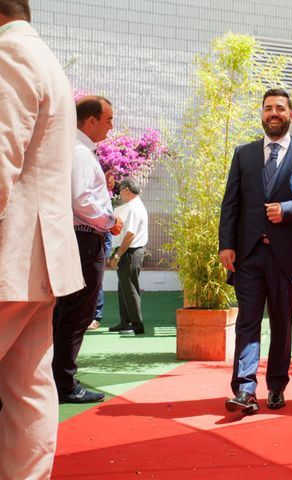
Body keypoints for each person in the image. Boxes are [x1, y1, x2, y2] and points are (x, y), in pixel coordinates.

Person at [0, 1, 84, 477]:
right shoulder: (47, 60)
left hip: (11, 254)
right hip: (42, 257)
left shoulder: (9, 54)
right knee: (28, 385)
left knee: (29, 385)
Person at [219, 88, 292, 413]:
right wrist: (226, 244)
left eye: (280, 108)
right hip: (249, 256)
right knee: (247, 324)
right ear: (262, 114)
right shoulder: (244, 154)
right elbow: (231, 203)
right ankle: (244, 390)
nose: (273, 113)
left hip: (286, 258)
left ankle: (277, 386)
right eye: (268, 108)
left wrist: (290, 209)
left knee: (282, 325)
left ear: (291, 114)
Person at [52, 95, 122, 404]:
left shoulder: (77, 150)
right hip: (85, 239)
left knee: (66, 312)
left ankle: (57, 378)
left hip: (79, 239)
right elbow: (81, 200)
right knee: (77, 313)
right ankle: (64, 383)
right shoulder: (80, 153)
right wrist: (110, 220)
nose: (111, 126)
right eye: (108, 119)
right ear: (90, 120)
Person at [108, 177, 149, 335]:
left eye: (121, 190)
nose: (120, 193)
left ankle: (137, 324)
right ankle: (125, 322)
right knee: (124, 287)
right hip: (130, 251)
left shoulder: (133, 208)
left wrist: (117, 255)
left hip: (130, 251)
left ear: (126, 190)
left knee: (130, 288)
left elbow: (130, 234)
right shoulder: (134, 205)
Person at [89, 169, 116, 330]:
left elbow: (108, 229)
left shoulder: (105, 199)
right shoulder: (98, 196)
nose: (111, 182)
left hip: (100, 243)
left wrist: (106, 253)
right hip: (92, 242)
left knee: (96, 283)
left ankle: (96, 317)